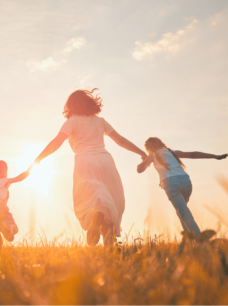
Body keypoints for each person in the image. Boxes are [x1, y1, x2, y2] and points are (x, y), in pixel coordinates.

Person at [33, 89, 146, 246]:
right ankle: (110, 248)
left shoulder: (71, 122)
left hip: (85, 161)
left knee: (91, 198)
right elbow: (121, 140)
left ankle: (96, 218)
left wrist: (39, 158)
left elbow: (57, 142)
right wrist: (142, 153)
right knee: (111, 200)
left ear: (70, 106)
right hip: (106, 161)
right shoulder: (100, 121)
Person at [137, 137, 228, 238]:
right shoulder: (172, 152)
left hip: (171, 183)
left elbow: (139, 169)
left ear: (149, 148)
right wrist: (215, 156)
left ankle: (202, 243)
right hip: (186, 182)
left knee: (183, 213)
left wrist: (145, 161)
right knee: (182, 213)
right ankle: (188, 243)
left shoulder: (152, 156)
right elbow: (193, 154)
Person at [0, 161, 31, 249]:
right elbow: (18, 178)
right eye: (6, 170)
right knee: (14, 230)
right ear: (3, 171)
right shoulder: (3, 180)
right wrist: (29, 170)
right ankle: (2, 227)